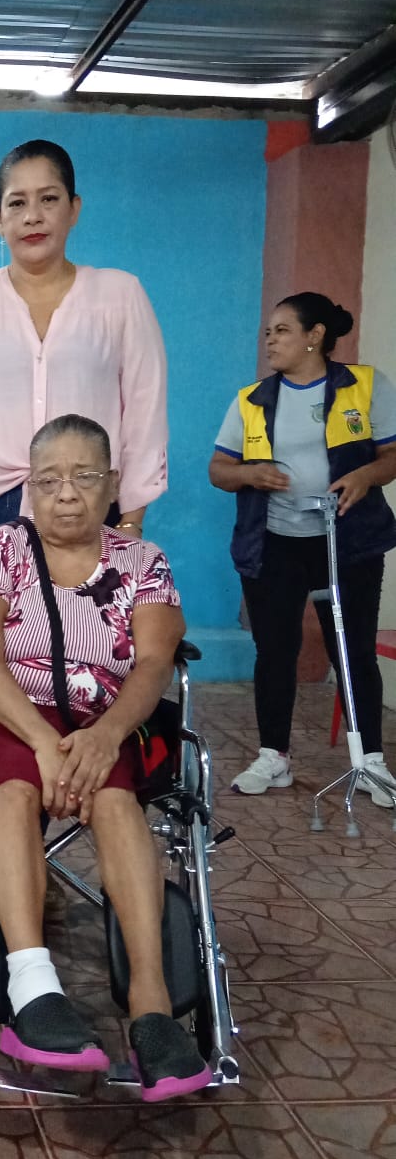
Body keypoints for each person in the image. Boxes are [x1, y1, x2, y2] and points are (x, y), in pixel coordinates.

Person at [0, 415, 209, 1102]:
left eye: (84, 477)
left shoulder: (141, 563)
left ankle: (152, 1011)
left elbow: (154, 663)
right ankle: (34, 990)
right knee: (14, 790)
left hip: (99, 720)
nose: (66, 493)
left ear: (112, 485)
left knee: (116, 799)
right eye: (49, 479)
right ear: (28, 488)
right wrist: (39, 740)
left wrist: (106, 735)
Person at [0, 139, 167, 571]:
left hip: (90, 513)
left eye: (49, 199)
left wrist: (131, 523)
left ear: (74, 209)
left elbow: (145, 419)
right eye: (17, 203)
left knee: (89, 620)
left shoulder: (120, 296)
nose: (33, 216)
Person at [209, 293, 396, 799]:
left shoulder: (365, 386)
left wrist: (365, 477)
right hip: (273, 545)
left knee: (353, 649)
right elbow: (219, 469)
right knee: (274, 651)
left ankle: (370, 761)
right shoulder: (251, 400)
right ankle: (274, 757)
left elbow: (392, 455)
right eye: (268, 332)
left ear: (315, 336)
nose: (270, 340)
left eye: (282, 330)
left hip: (347, 542)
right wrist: (250, 474)